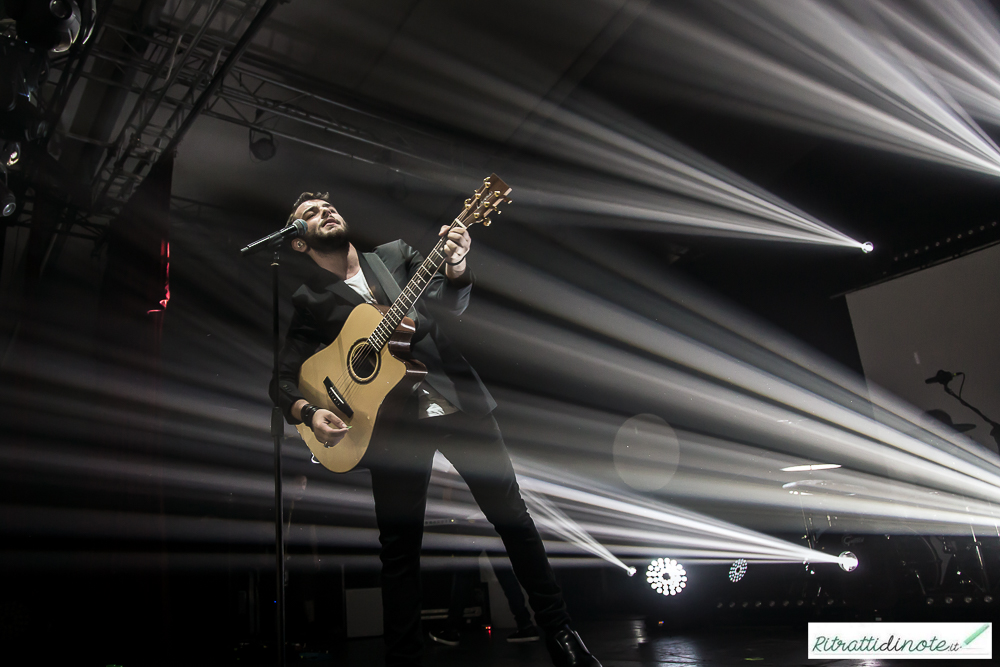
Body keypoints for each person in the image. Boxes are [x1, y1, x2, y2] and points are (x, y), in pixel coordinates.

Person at [271, 192, 600, 667]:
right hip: (388, 426)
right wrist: (306, 411)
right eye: (310, 213)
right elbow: (282, 379)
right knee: (399, 548)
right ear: (299, 241)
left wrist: (458, 267)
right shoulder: (310, 300)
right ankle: (404, 657)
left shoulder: (395, 256)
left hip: (456, 400)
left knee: (513, 519)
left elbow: (449, 306)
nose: (325, 211)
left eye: (329, 206)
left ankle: (562, 634)